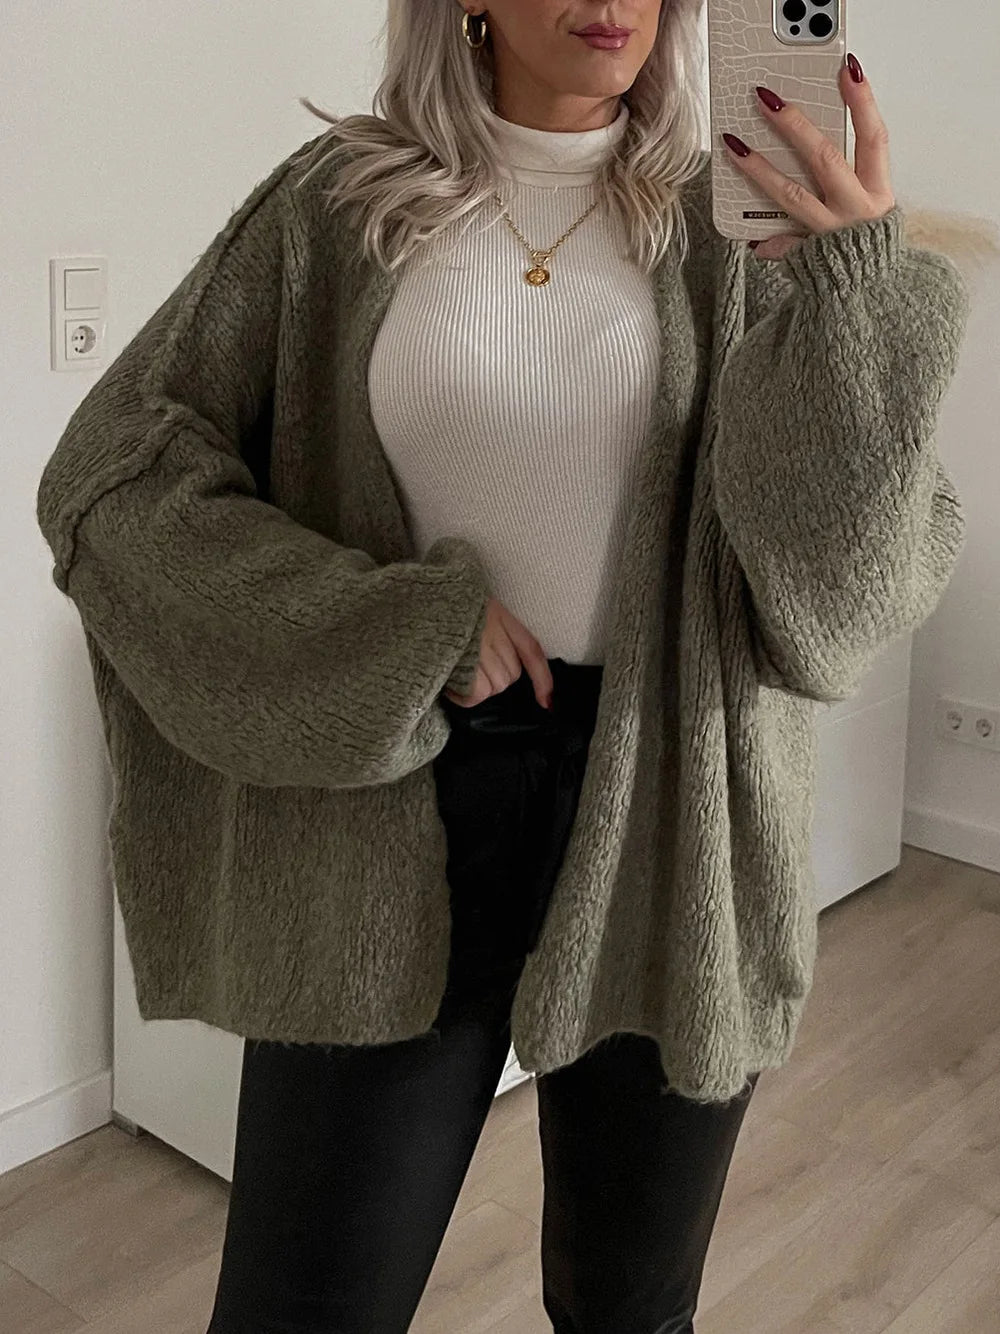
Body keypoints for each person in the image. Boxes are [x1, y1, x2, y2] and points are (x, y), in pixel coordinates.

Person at [34, 1, 971, 1330]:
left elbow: (838, 604)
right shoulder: (336, 208)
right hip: (395, 807)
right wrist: (395, 629)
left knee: (628, 1307)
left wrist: (850, 298)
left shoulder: (735, 225)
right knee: (304, 1305)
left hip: (672, 811)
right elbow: (112, 474)